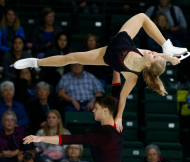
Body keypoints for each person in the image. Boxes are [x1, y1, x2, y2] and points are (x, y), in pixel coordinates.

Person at [12, 13, 186, 132]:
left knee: (70, 58)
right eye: (156, 53)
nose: (153, 52)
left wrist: (118, 117)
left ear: (148, 64)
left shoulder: (132, 76)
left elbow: (123, 98)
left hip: (105, 56)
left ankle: (35, 62)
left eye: (155, 56)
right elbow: (156, 54)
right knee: (141, 17)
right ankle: (167, 43)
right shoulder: (145, 54)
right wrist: (170, 57)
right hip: (122, 41)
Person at [21, 71, 127, 162]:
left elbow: (70, 139)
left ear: (105, 111)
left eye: (96, 108)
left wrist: (41, 138)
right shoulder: (118, 122)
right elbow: (116, 90)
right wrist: (115, 68)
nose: (93, 111)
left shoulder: (101, 135)